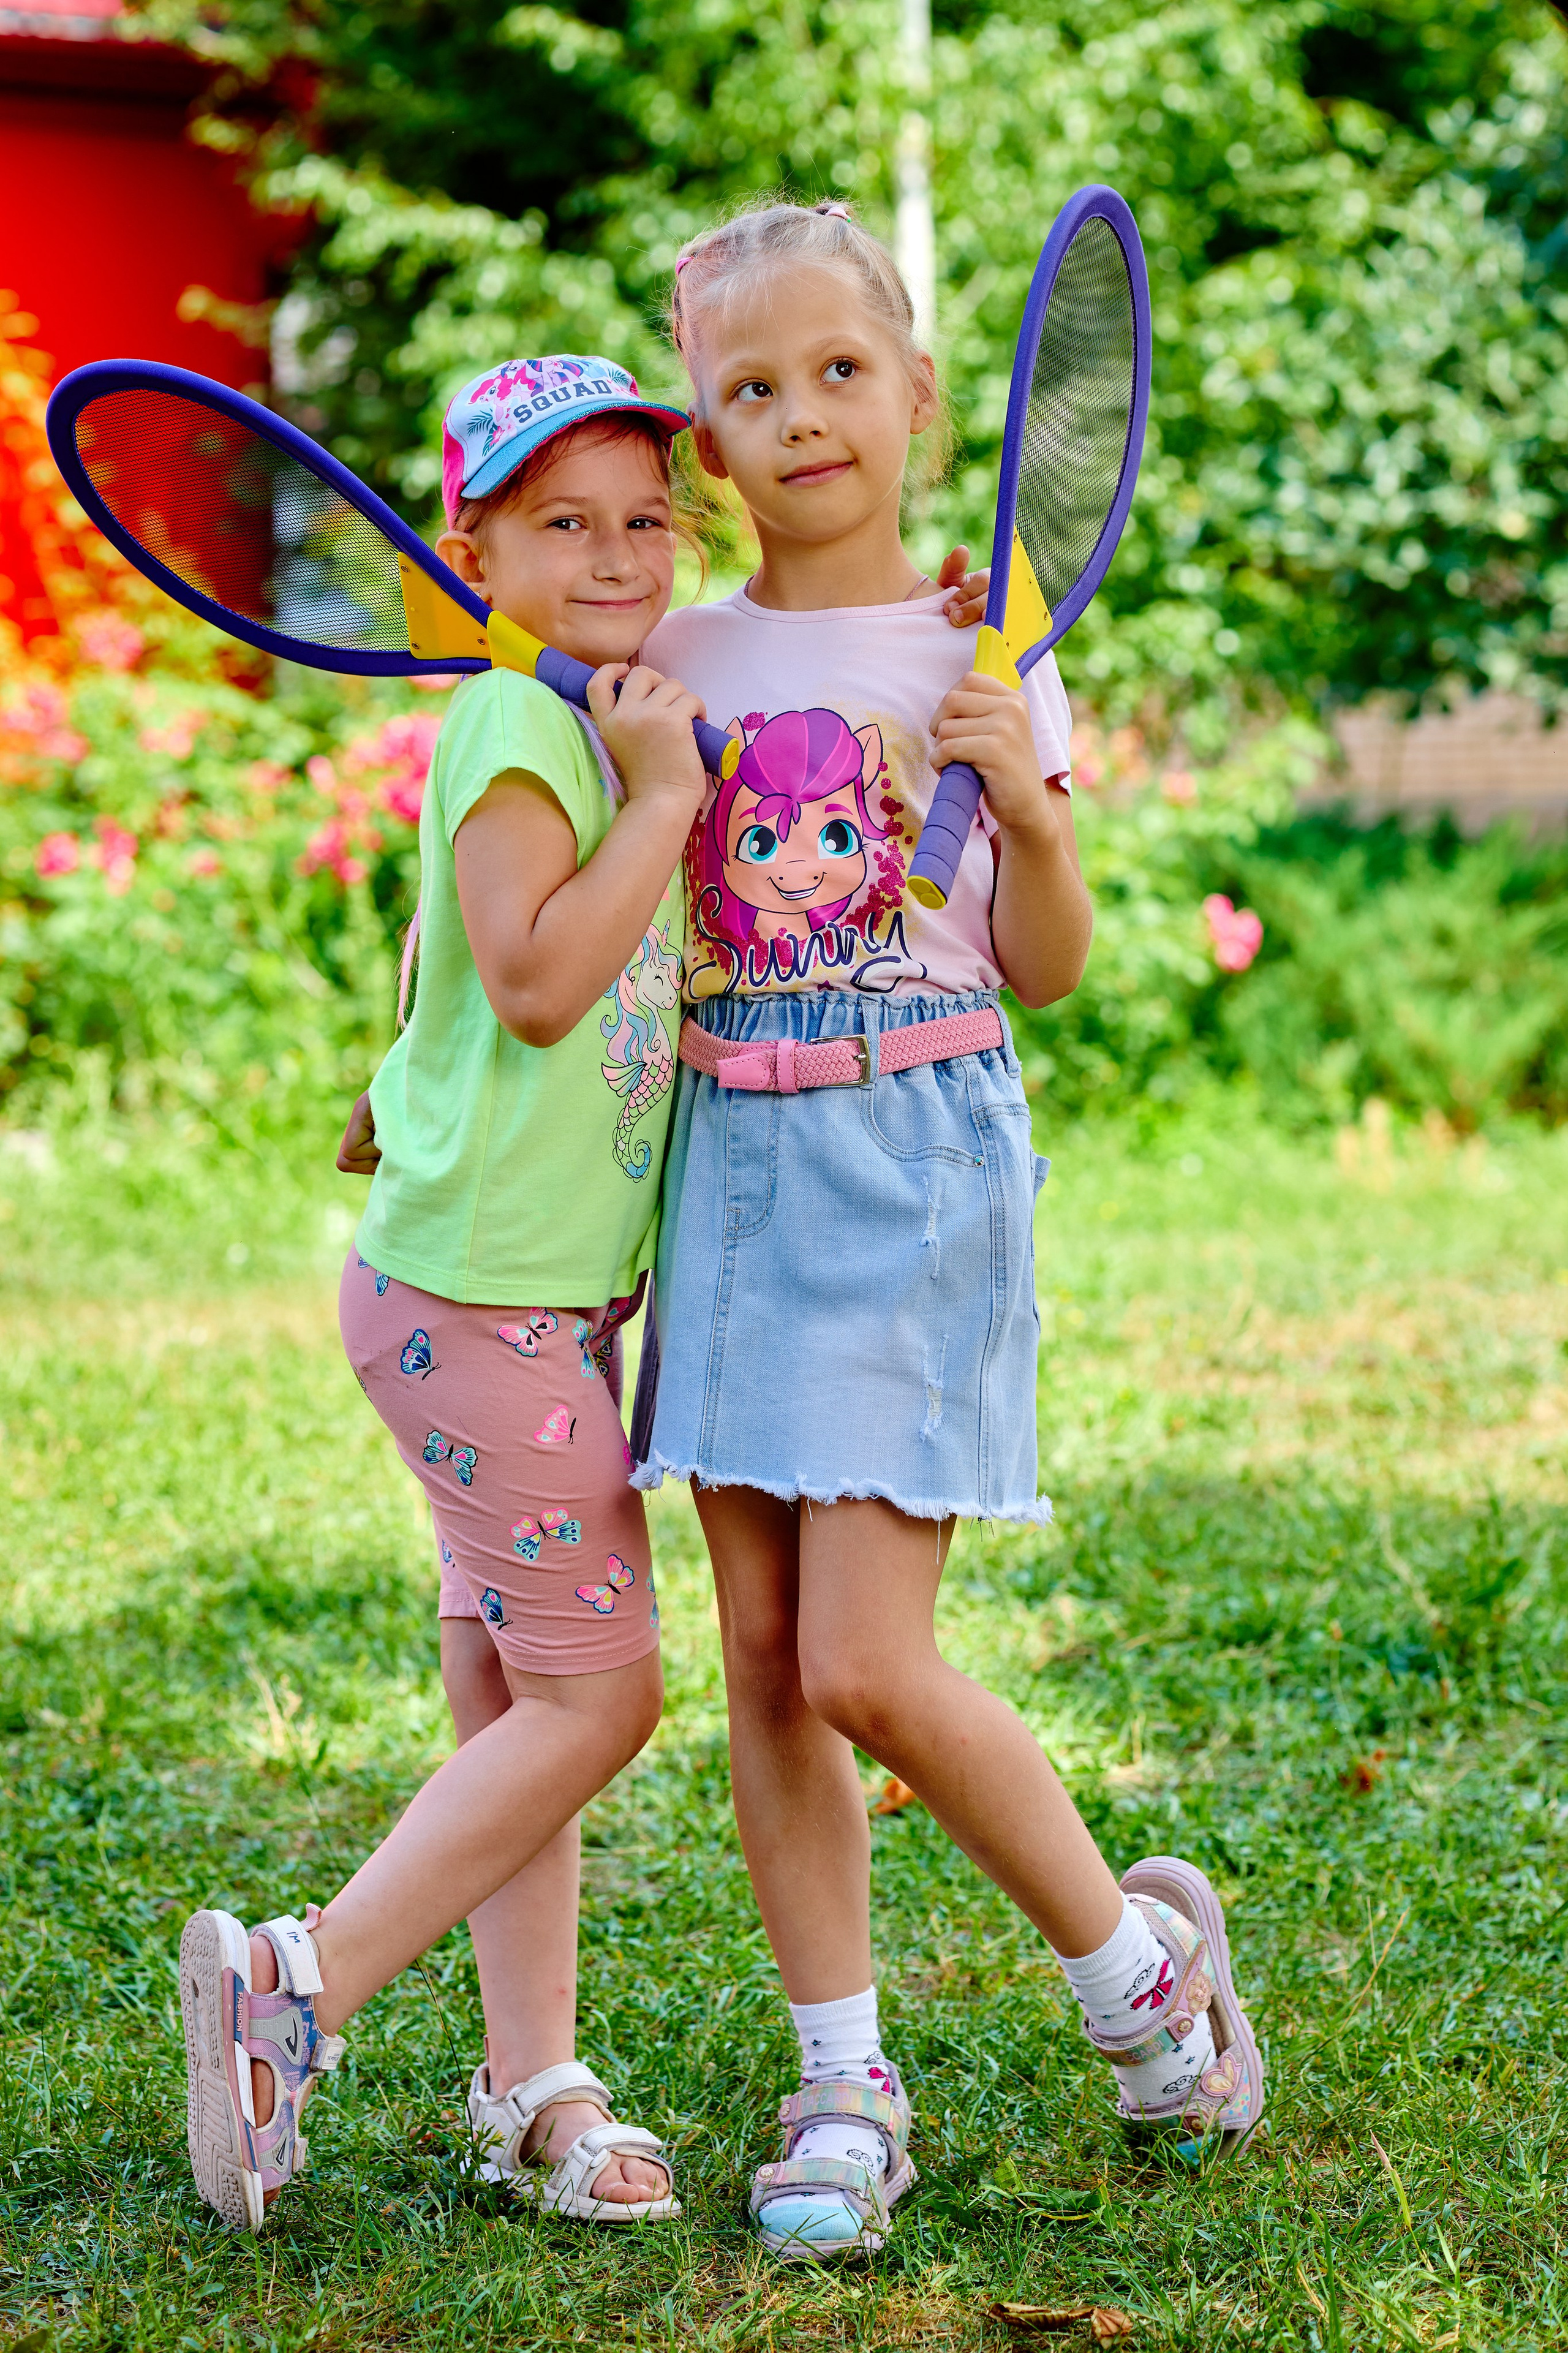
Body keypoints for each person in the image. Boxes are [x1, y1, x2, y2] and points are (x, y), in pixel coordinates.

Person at [635, 201, 1265, 2262]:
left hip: (912, 1173)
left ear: (918, 394)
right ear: (706, 444)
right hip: (728, 1169)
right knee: (758, 1657)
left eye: (838, 372)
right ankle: (843, 2076)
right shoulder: (680, 661)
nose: (800, 415)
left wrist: (1044, 806)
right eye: (750, 388)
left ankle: (1138, 1971)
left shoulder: (989, 642)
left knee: (869, 1655)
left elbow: (1051, 965)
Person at [179, 353, 710, 2235]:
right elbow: (543, 970)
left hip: (527, 1300)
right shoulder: (521, 729)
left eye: (647, 514)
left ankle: (533, 2077)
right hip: (487, 1314)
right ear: (475, 546)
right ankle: (292, 1984)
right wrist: (660, 796)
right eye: (563, 521)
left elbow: (452, 977)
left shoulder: (579, 713)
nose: (617, 551)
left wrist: (410, 1085)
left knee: (512, 1692)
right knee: (603, 1699)